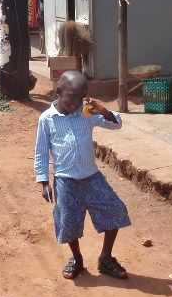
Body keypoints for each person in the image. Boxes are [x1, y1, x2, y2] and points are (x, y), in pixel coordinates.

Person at [34, 71, 132, 280]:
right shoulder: (47, 119)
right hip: (65, 180)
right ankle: (76, 258)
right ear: (59, 91)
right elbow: (41, 151)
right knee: (68, 222)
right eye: (72, 97)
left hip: (91, 176)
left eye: (81, 98)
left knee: (115, 210)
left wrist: (102, 110)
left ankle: (105, 258)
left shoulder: (85, 112)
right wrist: (43, 181)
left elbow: (116, 124)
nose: (76, 103)